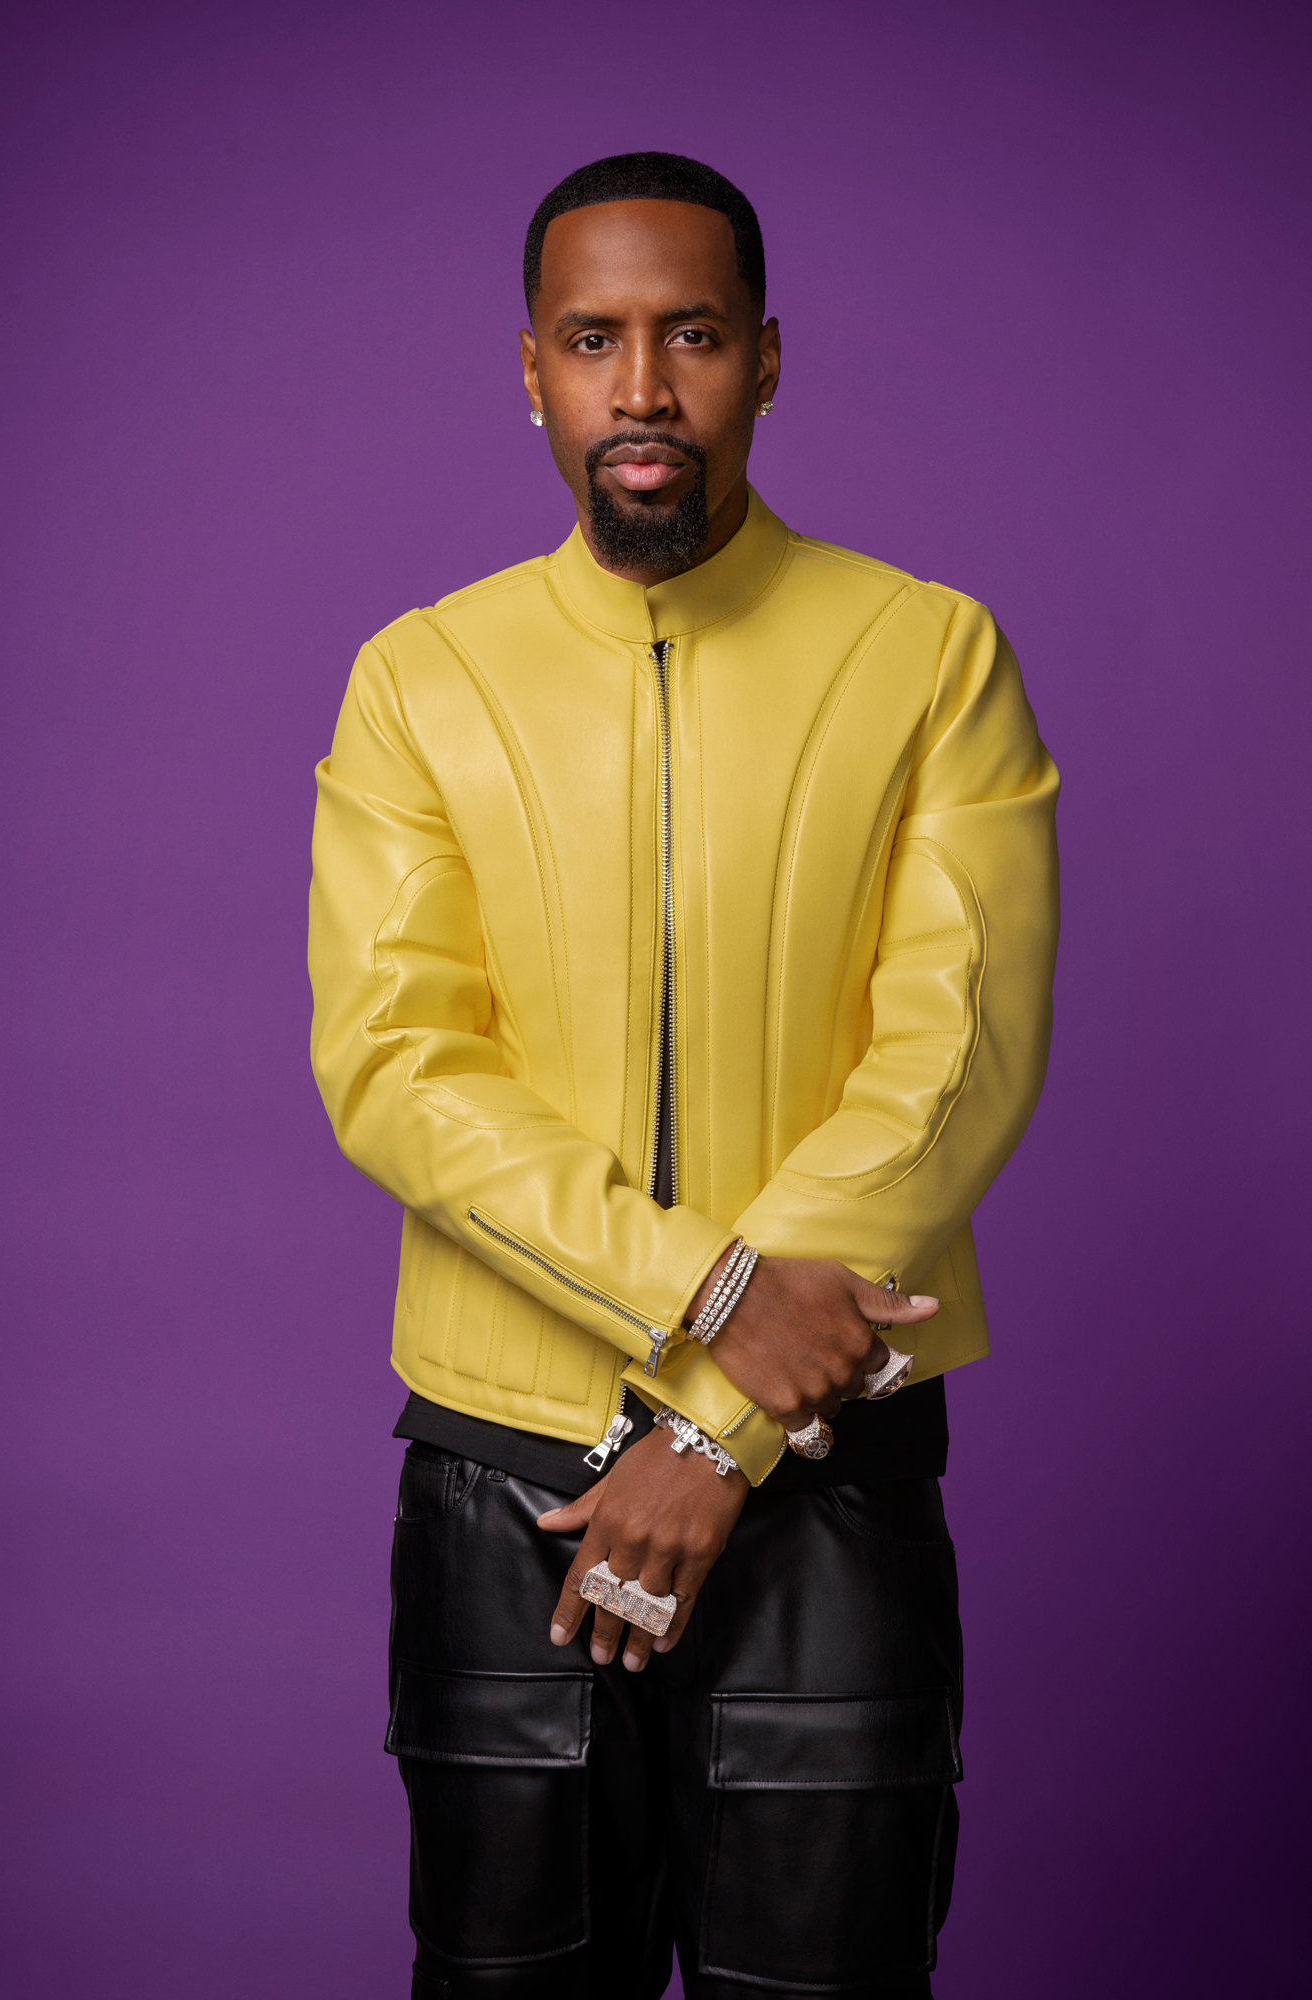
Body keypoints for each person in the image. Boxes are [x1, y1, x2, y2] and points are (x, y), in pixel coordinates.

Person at [308, 152, 1059, 2000]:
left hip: (831, 1477)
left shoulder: (927, 652)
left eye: (691, 335)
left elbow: (957, 1045)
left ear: (765, 361)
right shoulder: (419, 678)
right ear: (532, 370)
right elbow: (397, 1061)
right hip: (501, 1482)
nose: (640, 386)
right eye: (592, 340)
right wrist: (718, 1296)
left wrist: (717, 1433)